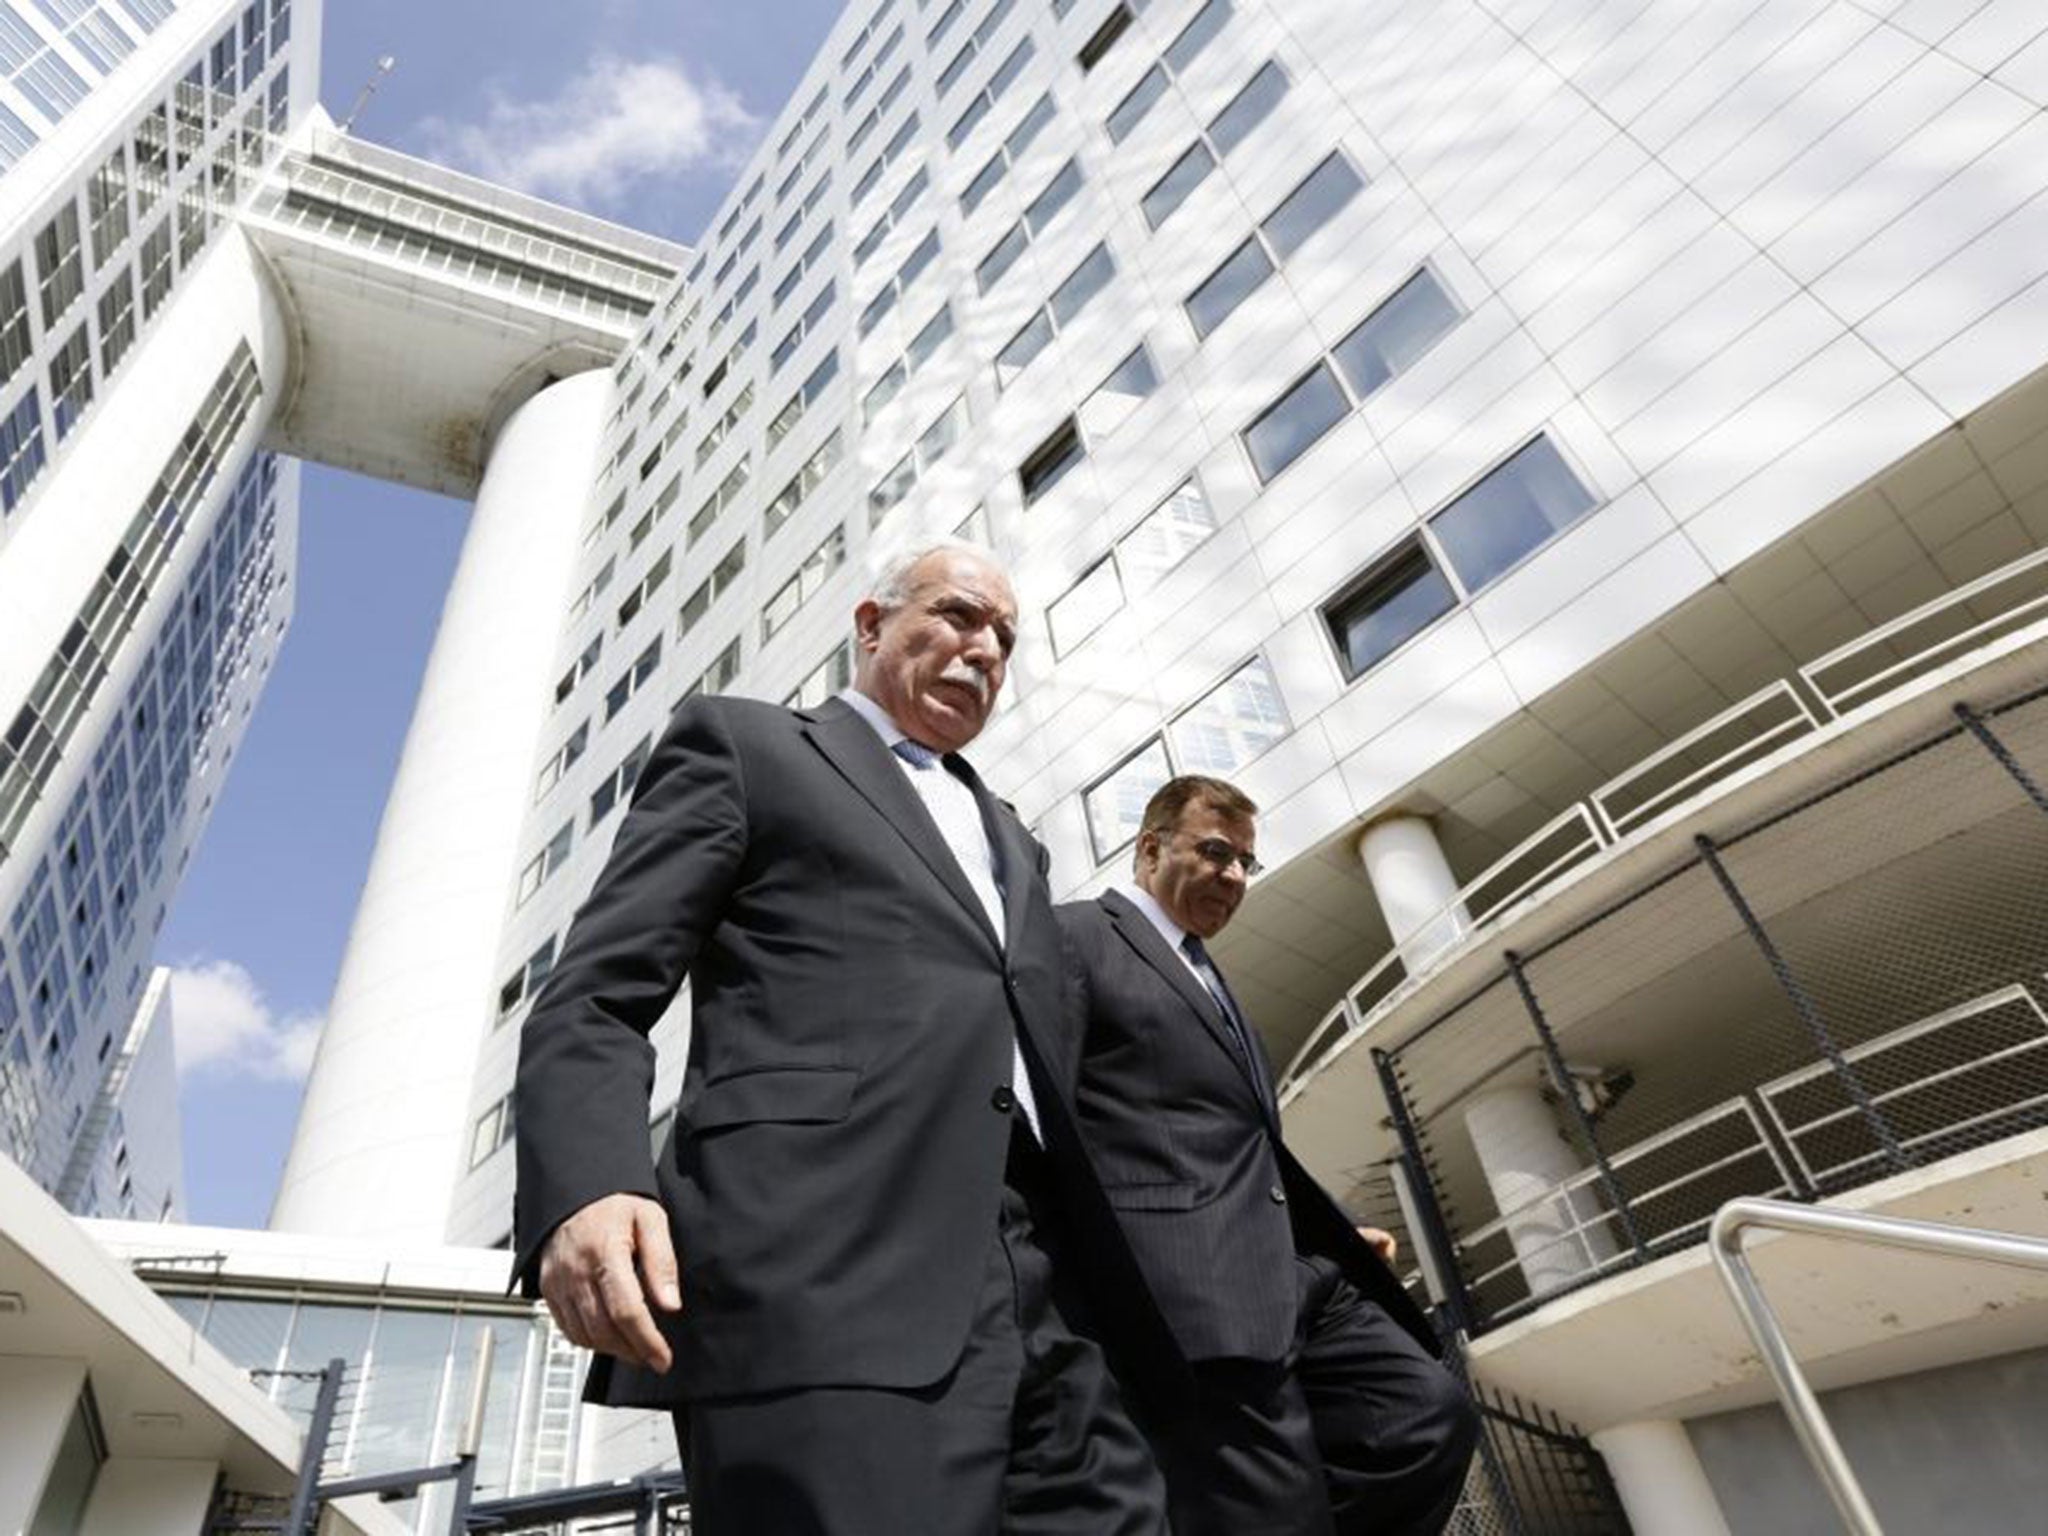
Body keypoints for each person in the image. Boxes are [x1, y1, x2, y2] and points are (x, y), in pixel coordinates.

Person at [512, 537, 1167, 1535]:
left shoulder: (1018, 845)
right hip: (824, 1278)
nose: (983, 647)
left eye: (1003, 636)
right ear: (870, 624)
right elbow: (596, 993)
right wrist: (592, 1182)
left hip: (1045, 1298)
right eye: (955, 614)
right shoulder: (747, 748)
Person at [1056, 775, 1479, 1536]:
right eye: (1216, 852)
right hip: (1183, 1294)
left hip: (1287, 1276)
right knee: (1270, 1509)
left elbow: (1239, 1141)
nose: (1234, 877)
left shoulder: (1213, 983)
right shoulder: (1076, 937)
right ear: (1149, 849)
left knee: (1426, 1416)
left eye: (1247, 863)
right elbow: (1044, 1118)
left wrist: (1338, 1228)